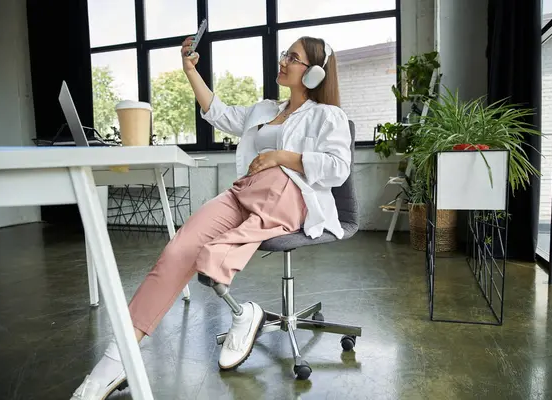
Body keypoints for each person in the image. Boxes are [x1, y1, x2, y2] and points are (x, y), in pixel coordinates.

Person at [71, 35, 352, 400]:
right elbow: (218, 112)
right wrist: (190, 70)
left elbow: (338, 169)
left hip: (287, 196)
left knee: (214, 254)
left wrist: (282, 157)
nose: (283, 60)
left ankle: (239, 305)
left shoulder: (327, 115)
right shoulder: (264, 109)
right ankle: (116, 360)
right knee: (177, 252)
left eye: (293, 57)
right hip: (244, 192)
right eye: (285, 53)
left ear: (313, 73)